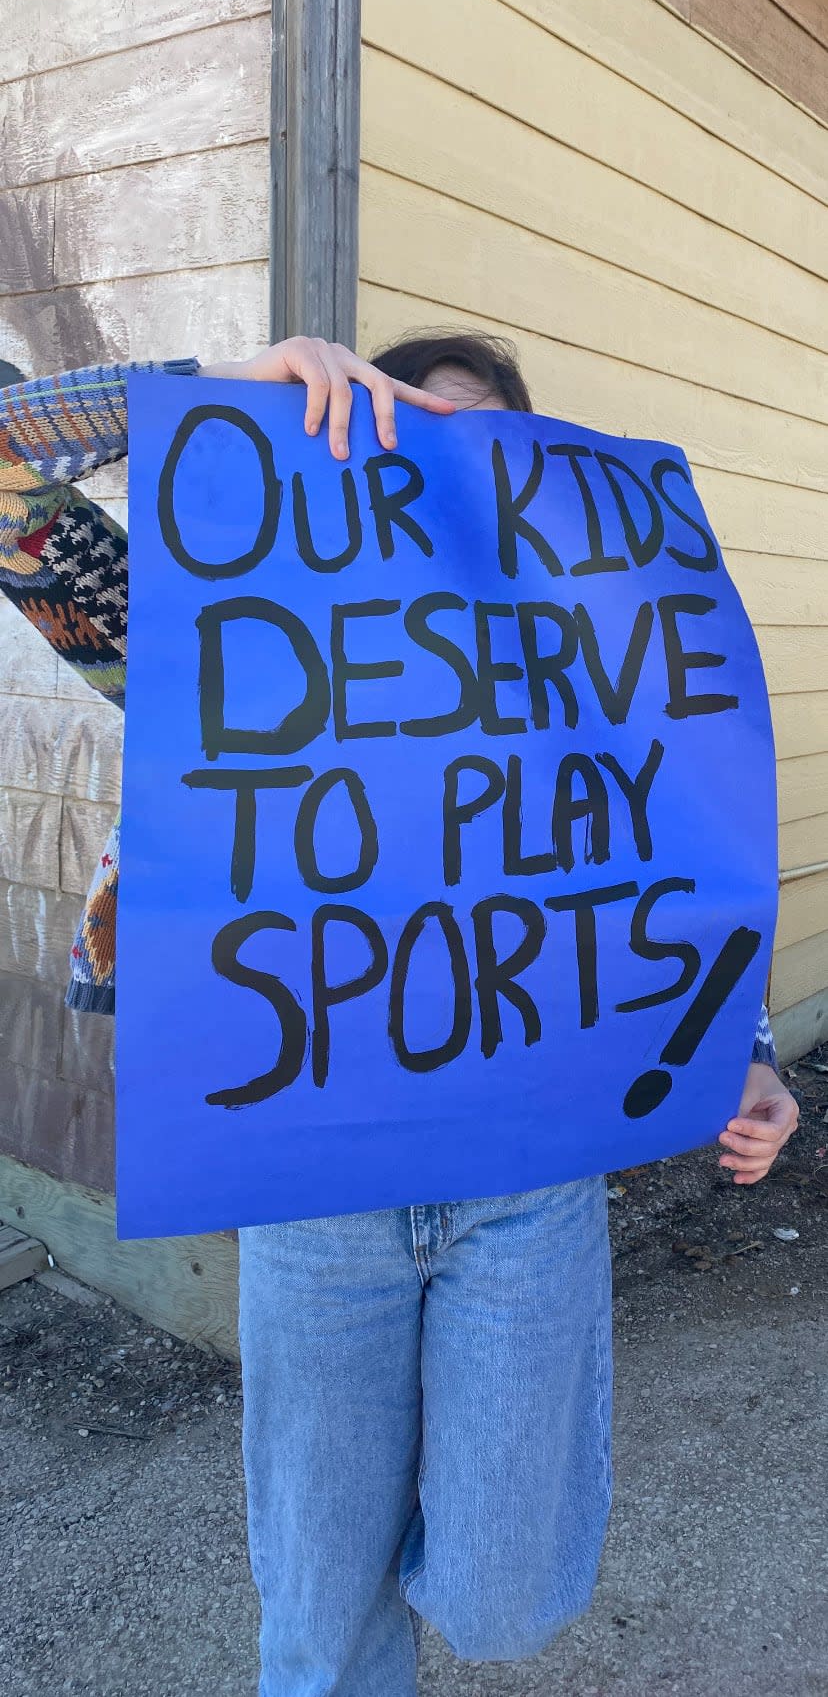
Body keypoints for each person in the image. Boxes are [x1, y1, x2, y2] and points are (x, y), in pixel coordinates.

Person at [0, 333, 798, 1695]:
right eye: (394, 441)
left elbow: (660, 871)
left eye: (470, 457)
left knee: (499, 1601)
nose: (429, 485)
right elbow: (8, 467)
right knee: (321, 1617)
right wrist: (224, 385)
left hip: (527, 1180)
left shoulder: (584, 668)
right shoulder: (200, 639)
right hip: (318, 1191)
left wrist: (749, 1052)